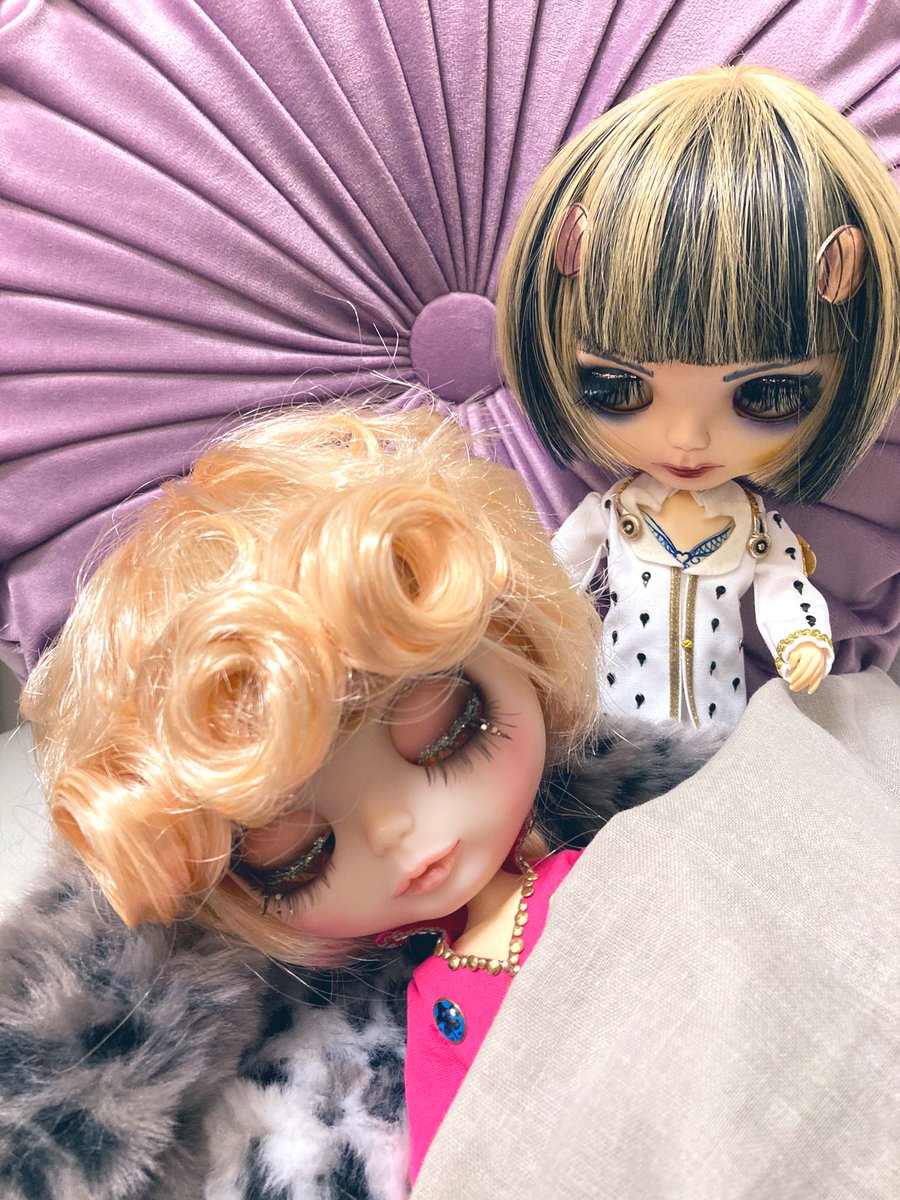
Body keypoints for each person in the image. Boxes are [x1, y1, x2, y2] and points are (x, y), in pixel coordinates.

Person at [21, 403, 605, 1183]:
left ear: (524, 647)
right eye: (297, 854)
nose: (395, 830)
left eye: (446, 731)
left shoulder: (634, 849)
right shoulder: (405, 1020)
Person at [497, 65, 900, 728]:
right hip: (612, 722)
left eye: (768, 395)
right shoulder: (612, 513)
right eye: (619, 387)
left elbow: (784, 590)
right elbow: (554, 580)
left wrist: (802, 639)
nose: (687, 440)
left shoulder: (758, 529)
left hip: (721, 726)